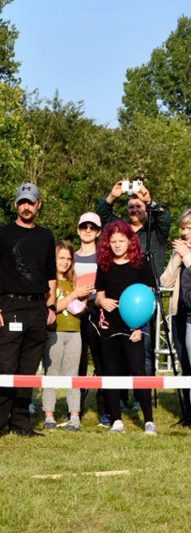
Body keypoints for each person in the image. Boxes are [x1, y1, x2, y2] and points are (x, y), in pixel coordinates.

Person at [0, 183, 56, 440]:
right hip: (10, 307)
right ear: (16, 204)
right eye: (22, 202)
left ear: (38, 204)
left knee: (28, 370)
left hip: (37, 309)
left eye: (30, 202)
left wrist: (51, 305)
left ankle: (21, 423)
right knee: (5, 367)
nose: (26, 206)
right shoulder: (2, 235)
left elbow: (51, 275)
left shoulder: (46, 236)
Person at [96, 179, 171, 375]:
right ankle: (121, 390)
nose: (135, 210)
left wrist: (149, 199)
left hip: (145, 299)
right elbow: (101, 216)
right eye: (131, 207)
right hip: (118, 301)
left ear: (146, 208)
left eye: (139, 206)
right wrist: (112, 196)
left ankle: (142, 390)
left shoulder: (156, 231)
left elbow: (165, 218)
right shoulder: (120, 230)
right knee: (119, 352)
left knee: (144, 350)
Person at [94, 221, 156, 435]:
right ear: (107, 243)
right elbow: (98, 297)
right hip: (110, 327)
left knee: (138, 371)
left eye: (121, 240)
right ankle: (116, 420)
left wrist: (140, 327)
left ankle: (149, 421)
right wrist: (102, 302)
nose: (118, 245)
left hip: (134, 327)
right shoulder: (104, 265)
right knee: (111, 371)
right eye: (113, 241)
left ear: (130, 241)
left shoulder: (141, 264)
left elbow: (147, 299)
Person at [42, 242, 91, 431]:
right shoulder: (48, 281)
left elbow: (79, 311)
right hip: (53, 333)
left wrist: (82, 302)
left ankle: (74, 417)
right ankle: (49, 416)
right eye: (61, 258)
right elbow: (53, 307)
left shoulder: (73, 282)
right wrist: (73, 296)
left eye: (69, 259)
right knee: (51, 374)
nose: (65, 262)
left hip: (75, 333)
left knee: (73, 376)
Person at [73, 212, 109, 425]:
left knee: (101, 361)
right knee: (77, 363)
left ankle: (105, 410)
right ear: (78, 230)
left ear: (98, 232)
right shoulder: (70, 257)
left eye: (92, 227)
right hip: (74, 313)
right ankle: (75, 410)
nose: (88, 230)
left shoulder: (104, 257)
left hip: (98, 312)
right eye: (84, 226)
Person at [160, 207, 191, 425]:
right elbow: (165, 281)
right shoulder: (180, 251)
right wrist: (178, 258)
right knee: (184, 364)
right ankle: (187, 414)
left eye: (189, 228)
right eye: (183, 228)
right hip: (178, 313)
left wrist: (188, 258)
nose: (185, 232)